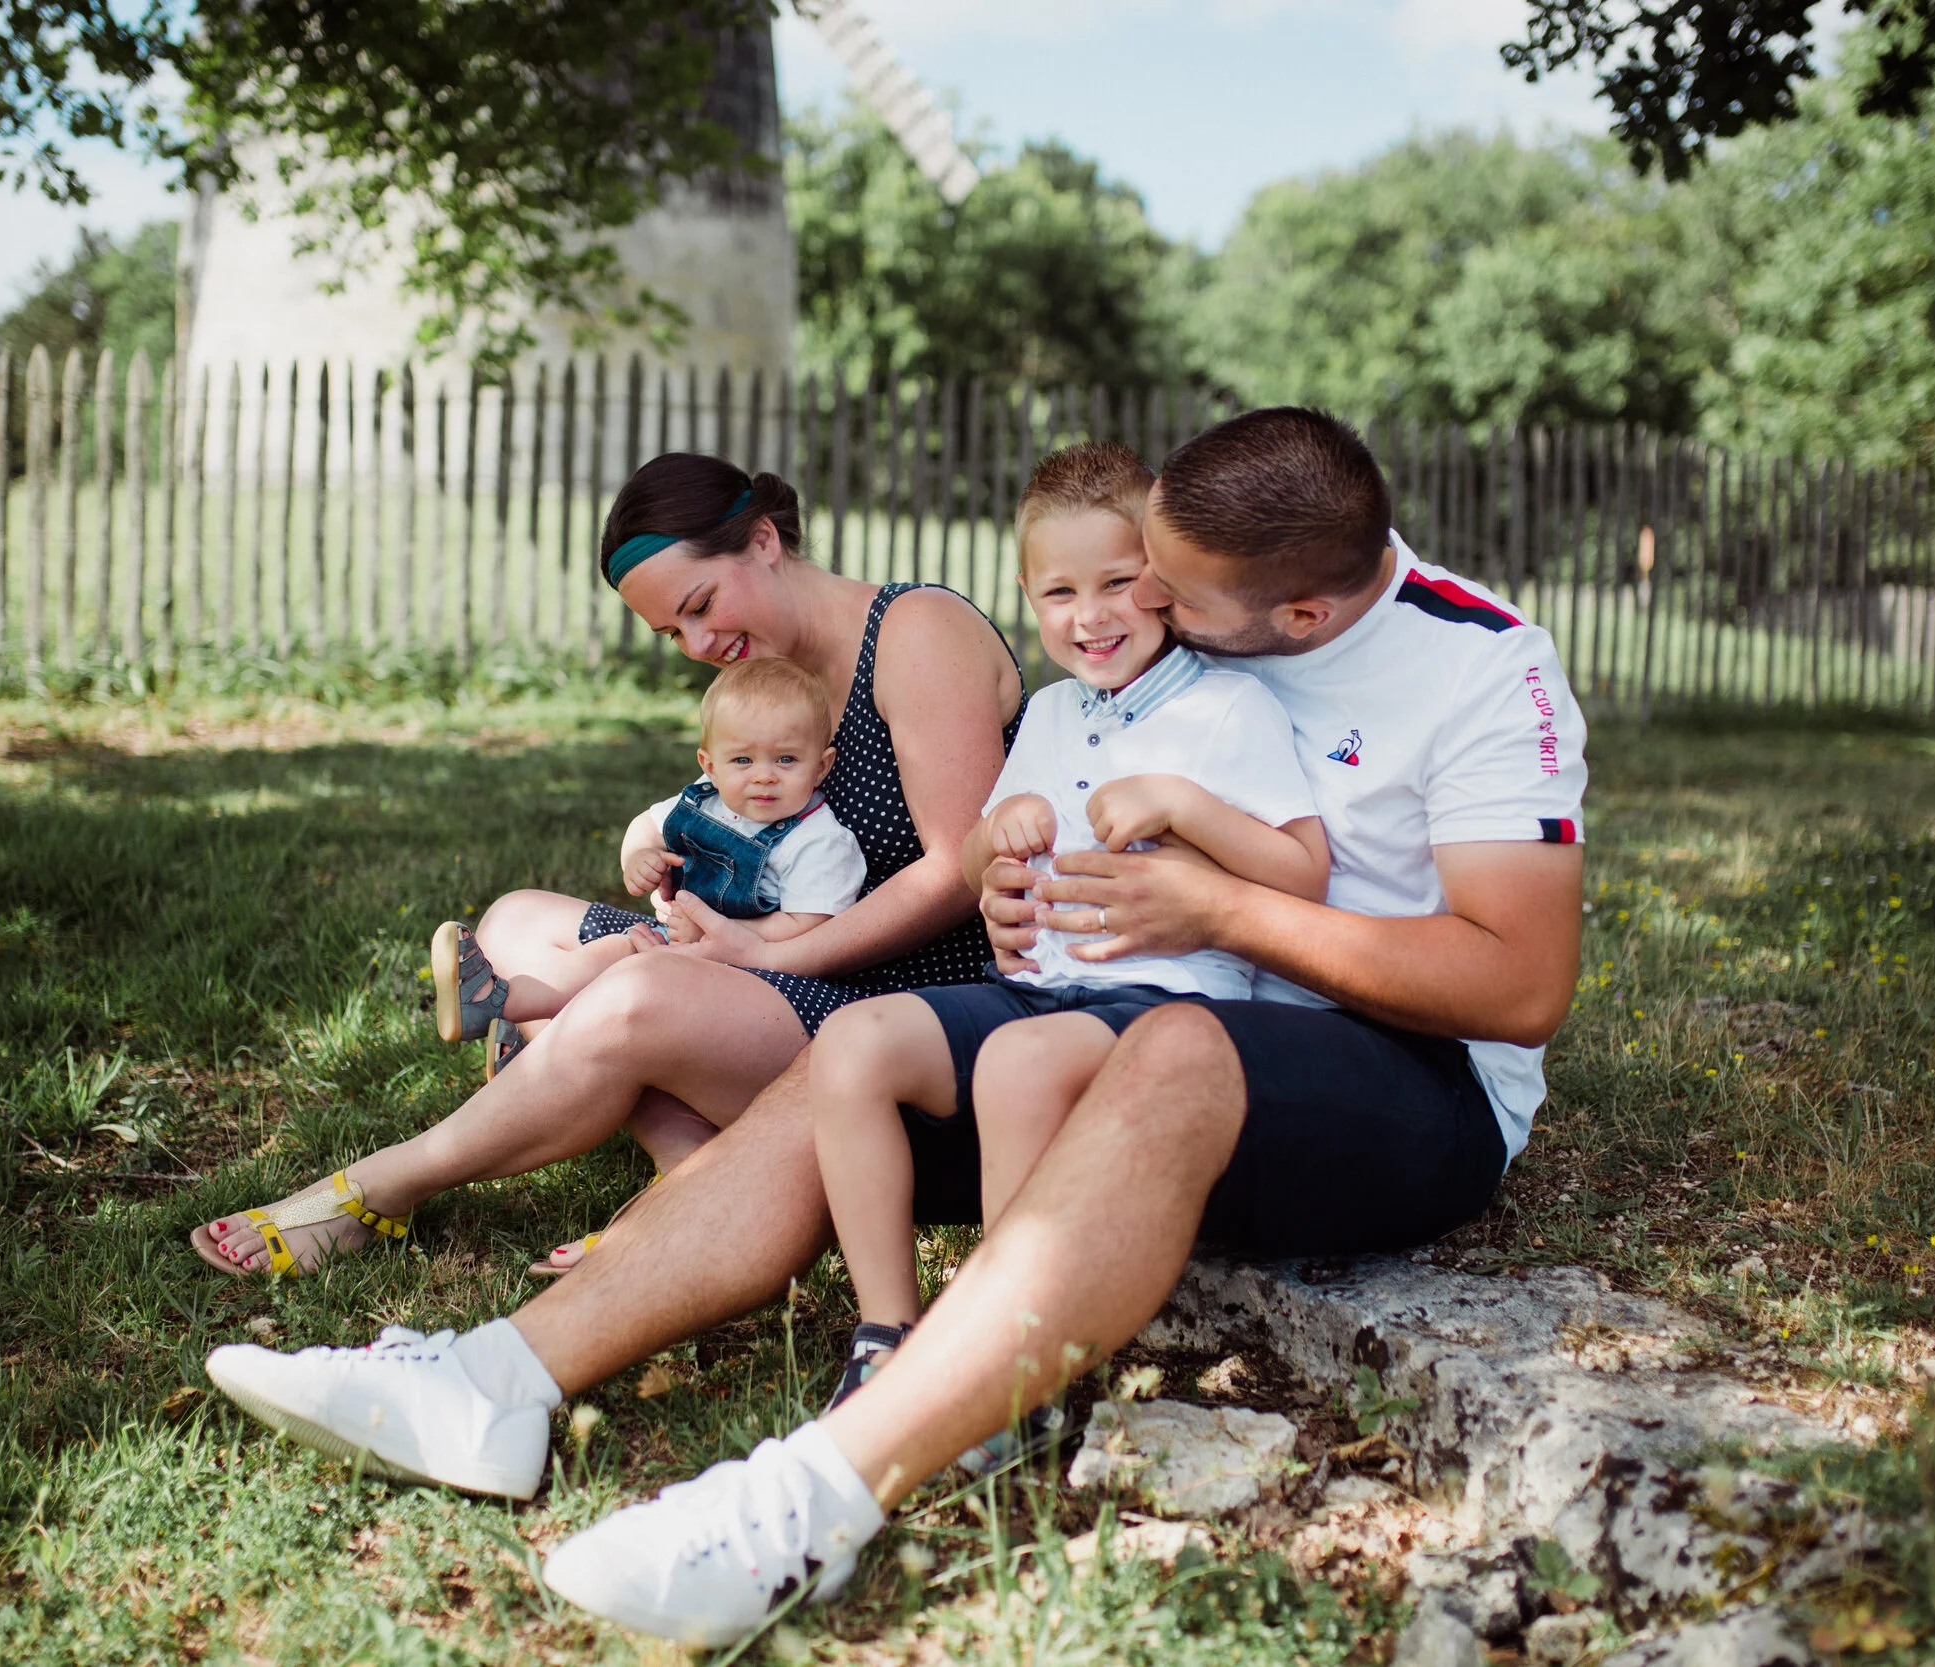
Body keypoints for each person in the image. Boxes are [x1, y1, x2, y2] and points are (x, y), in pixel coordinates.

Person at [200, 409, 1588, 1654]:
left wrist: (1217, 903)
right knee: (859, 1049)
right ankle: (497, 1379)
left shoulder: (1477, 672)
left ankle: (816, 1493)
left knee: (1170, 1050)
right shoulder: (1166, 634)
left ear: (1295, 617)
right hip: (1109, 1005)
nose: (1137, 606)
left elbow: (1517, 987)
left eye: (1172, 593)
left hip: (1398, 1080)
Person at [186, 452, 1022, 1279]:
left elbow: (958, 870)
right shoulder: (770, 678)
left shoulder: (916, 631)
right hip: (766, 964)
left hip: (909, 1006)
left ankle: (386, 1184)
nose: (698, 643)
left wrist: (764, 955)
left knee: (631, 996)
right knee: (515, 926)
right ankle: (691, 1188)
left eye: (700, 605)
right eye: (673, 632)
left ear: (764, 540)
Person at [807, 443, 1326, 1438]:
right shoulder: (1048, 711)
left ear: (1164, 581)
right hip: (1040, 984)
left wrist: (1187, 805)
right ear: (1026, 595)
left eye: (1120, 582)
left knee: (1014, 1063)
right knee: (852, 1044)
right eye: (1059, 590)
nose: (1091, 615)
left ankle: (1012, 1370)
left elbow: (1300, 869)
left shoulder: (1228, 709)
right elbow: (970, 860)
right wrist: (992, 847)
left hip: (1166, 999)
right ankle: (888, 1332)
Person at [431, 657, 868, 1075]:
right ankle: (502, 1006)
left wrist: (723, 934)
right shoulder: (706, 799)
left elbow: (809, 925)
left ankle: (531, 1047)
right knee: (620, 949)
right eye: (742, 760)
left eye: (786, 759)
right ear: (710, 766)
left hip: (755, 975)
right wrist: (639, 857)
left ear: (821, 766)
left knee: (631, 970)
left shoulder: (820, 842)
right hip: (682, 945)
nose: (763, 776)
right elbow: (646, 825)